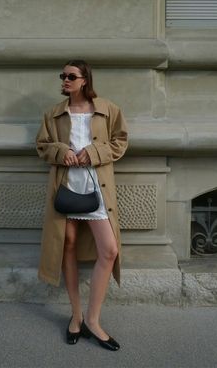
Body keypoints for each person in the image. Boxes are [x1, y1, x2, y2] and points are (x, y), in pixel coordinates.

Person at [36, 60, 128, 351]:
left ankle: (93, 319)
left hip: (96, 186)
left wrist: (93, 152)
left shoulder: (107, 109)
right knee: (69, 245)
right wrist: (62, 151)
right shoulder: (53, 114)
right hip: (65, 186)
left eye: (71, 76)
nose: (64, 80)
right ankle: (76, 316)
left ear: (85, 80)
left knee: (110, 250)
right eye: (62, 75)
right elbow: (42, 145)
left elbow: (120, 142)